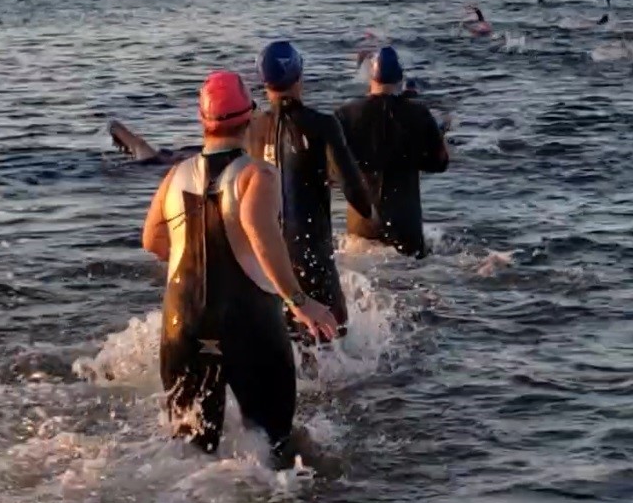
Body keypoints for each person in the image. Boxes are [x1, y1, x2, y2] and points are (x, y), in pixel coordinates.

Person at [140, 71, 339, 461]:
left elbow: (152, 241)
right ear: (249, 116)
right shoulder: (256, 174)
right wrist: (300, 300)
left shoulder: (173, 176)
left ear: (202, 120)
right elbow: (260, 232)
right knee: (273, 446)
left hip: (184, 324)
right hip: (248, 323)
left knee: (190, 453)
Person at [245, 41, 372, 339]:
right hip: (311, 253)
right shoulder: (323, 125)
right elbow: (358, 198)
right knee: (333, 337)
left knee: (280, 341)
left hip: (264, 257)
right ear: (299, 75)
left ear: (264, 81)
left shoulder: (251, 128)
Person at [334, 48, 450, 258]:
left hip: (362, 224)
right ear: (400, 78)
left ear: (371, 77)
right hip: (406, 224)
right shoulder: (418, 113)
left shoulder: (345, 114)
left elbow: (332, 169)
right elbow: (440, 163)